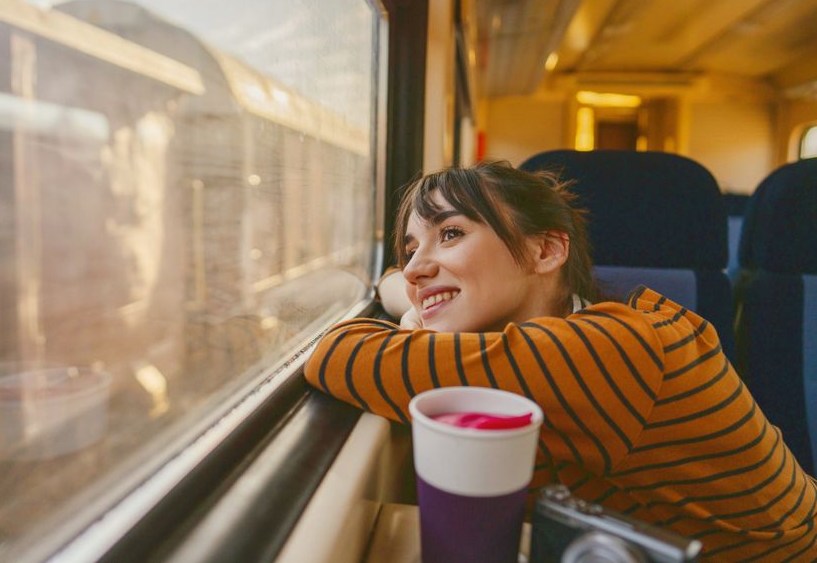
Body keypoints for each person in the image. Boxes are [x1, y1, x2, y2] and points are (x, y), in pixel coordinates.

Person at [304, 162, 816, 561]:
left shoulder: (612, 350)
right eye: (412, 248)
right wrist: (413, 300)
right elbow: (398, 281)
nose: (416, 268)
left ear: (546, 251)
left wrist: (415, 321)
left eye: (452, 234)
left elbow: (337, 353)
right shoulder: (539, 345)